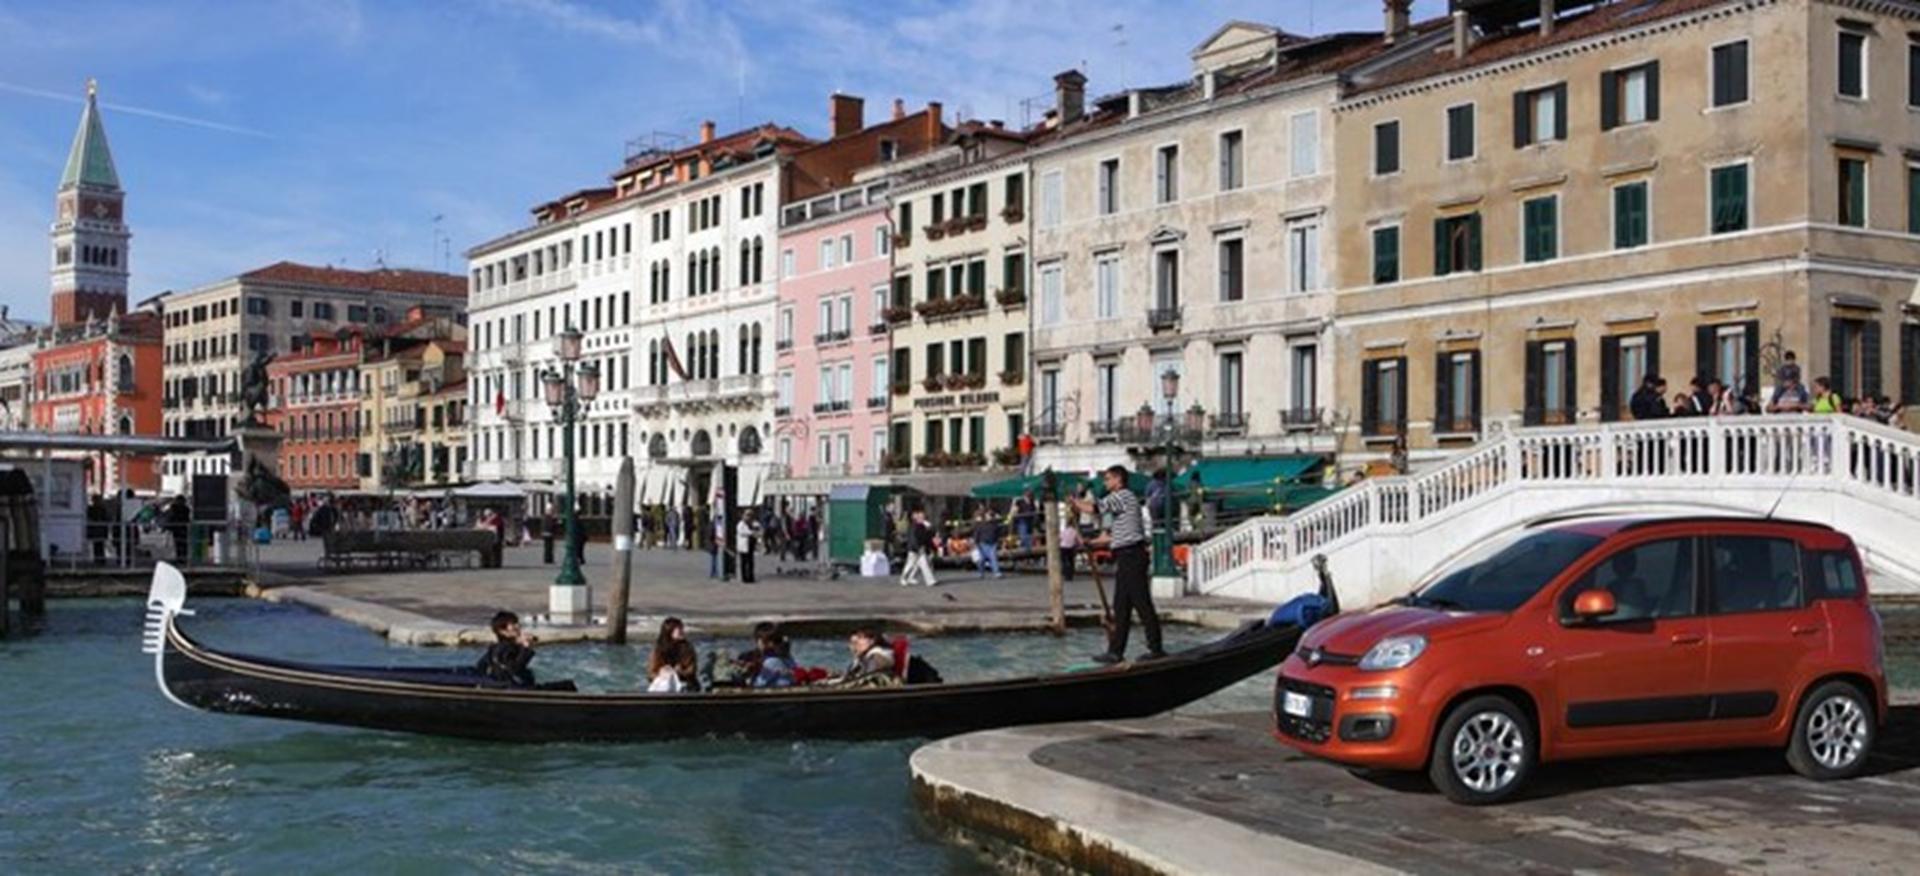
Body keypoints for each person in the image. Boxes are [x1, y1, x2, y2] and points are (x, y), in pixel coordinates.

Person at [1073, 464, 1164, 664]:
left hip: (1133, 556)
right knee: (1121, 606)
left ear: (1117, 480)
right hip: (1127, 556)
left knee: (1142, 604)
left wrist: (1073, 501)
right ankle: (1115, 651)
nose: (1105, 483)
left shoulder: (1123, 496)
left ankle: (1156, 649)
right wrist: (1091, 543)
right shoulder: (1123, 502)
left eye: (1107, 479)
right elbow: (1115, 536)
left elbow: (1094, 508)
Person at [474, 611, 538, 688]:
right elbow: (515, 669)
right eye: (513, 624)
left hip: (503, 685)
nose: (517, 626)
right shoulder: (507, 648)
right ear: (502, 631)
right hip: (514, 687)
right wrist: (526, 648)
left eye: (517, 622)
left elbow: (481, 665)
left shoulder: (495, 647)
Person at [827, 627, 898, 688]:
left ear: (871, 641)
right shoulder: (864, 659)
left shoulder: (877, 657)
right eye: (852, 644)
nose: (855, 646)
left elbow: (866, 678)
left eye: (860, 638)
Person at [647, 617, 700, 692]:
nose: (682, 631)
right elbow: (650, 674)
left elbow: (692, 670)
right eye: (679, 629)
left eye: (682, 628)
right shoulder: (658, 650)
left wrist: (679, 672)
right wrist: (662, 675)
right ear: (669, 631)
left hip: (686, 685)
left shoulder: (688, 648)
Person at [899, 508, 939, 587]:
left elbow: (927, 538)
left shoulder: (922, 527)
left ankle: (930, 581)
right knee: (910, 564)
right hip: (914, 549)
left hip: (920, 548)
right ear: (916, 518)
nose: (922, 518)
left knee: (924, 564)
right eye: (921, 517)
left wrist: (930, 529)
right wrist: (918, 548)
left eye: (923, 517)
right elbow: (913, 539)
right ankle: (904, 578)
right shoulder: (914, 526)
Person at [971, 507, 1004, 579]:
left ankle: (997, 572)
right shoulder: (980, 524)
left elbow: (999, 532)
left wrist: (999, 542)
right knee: (982, 559)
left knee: (993, 557)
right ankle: (981, 572)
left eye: (992, 515)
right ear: (985, 516)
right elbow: (977, 533)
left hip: (993, 543)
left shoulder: (995, 524)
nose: (990, 517)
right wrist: (976, 543)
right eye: (989, 515)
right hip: (983, 543)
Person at [736, 510, 759, 584]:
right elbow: (742, 532)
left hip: (750, 545)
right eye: (747, 515)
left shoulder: (752, 523)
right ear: (743, 516)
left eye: (750, 515)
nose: (748, 517)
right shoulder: (741, 524)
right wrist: (752, 533)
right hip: (743, 546)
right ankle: (744, 578)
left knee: (750, 562)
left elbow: (757, 528)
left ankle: (751, 577)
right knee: (744, 562)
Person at [1059, 508, 1082, 582]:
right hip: (1071, 547)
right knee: (1071, 562)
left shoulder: (1063, 531)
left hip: (1063, 547)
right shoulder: (1074, 531)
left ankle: (1065, 573)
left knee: (1064, 561)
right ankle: (1070, 575)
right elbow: (1079, 540)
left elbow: (1060, 538)